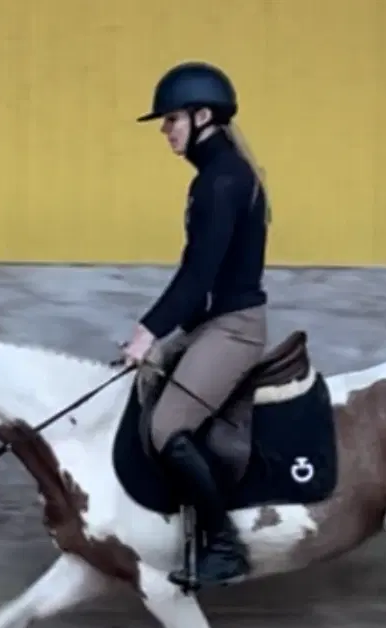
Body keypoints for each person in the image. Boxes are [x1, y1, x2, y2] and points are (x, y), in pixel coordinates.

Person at [122, 60, 272, 588]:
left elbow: (199, 274)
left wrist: (147, 331)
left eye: (171, 120)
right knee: (144, 381)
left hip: (233, 328)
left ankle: (224, 544)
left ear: (203, 116)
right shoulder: (218, 175)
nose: (165, 131)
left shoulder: (221, 181)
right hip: (214, 320)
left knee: (167, 428)